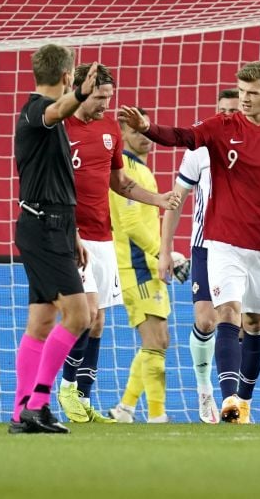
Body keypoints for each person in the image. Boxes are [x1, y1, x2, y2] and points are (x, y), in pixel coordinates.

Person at [118, 61, 260, 424]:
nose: (243, 100)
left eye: (251, 94)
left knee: (255, 322)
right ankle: (225, 399)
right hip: (221, 242)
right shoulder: (220, 128)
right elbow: (179, 136)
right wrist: (149, 128)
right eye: (240, 92)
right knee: (226, 312)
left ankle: (243, 401)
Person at [158, 88, 260, 424]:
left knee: (245, 322)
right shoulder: (200, 149)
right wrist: (165, 250)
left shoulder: (256, 146)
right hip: (207, 245)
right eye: (222, 110)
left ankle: (236, 403)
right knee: (209, 320)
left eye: (233, 110)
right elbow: (176, 200)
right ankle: (206, 389)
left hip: (251, 246)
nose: (227, 116)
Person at [55, 65, 178, 425]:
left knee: (97, 324)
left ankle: (83, 399)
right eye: (98, 98)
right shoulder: (61, 128)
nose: (104, 106)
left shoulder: (110, 130)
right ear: (79, 91)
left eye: (108, 98)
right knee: (83, 315)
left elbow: (119, 182)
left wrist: (157, 199)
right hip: (70, 235)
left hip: (103, 238)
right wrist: (68, 230)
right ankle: (65, 387)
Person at [10, 44, 99, 434]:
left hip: (55, 225)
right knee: (81, 315)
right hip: (43, 225)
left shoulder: (52, 120)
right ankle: (39, 404)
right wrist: (79, 94)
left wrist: (74, 233)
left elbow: (56, 181)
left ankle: (20, 413)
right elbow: (56, 110)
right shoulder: (35, 111)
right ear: (67, 76)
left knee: (42, 321)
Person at [105, 108, 174, 423]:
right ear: (121, 136)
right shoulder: (127, 172)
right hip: (137, 267)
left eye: (145, 131)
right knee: (156, 341)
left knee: (157, 341)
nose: (144, 137)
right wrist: (164, 253)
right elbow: (131, 225)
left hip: (146, 265)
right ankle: (157, 417)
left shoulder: (140, 170)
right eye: (134, 132)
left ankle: (126, 408)